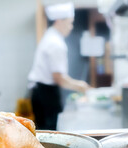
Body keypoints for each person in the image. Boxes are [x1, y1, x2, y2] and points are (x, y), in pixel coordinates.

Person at [28, 2, 90, 130]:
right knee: (49, 133)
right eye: (69, 22)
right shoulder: (55, 43)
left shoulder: (50, 36)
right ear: (59, 21)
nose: (71, 27)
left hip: (42, 92)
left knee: (45, 131)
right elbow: (59, 78)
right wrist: (81, 86)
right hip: (45, 93)